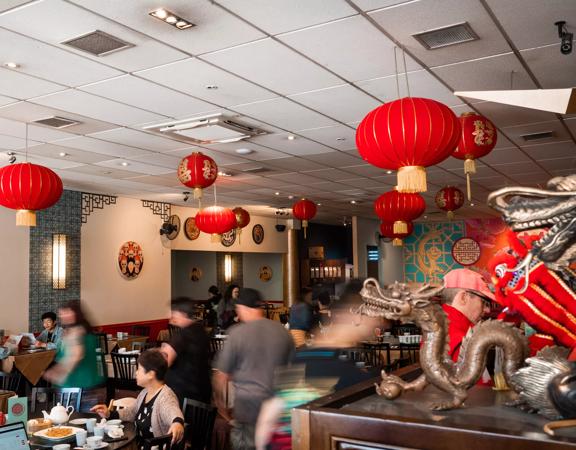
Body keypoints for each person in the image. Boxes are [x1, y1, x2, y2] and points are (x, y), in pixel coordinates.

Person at [214, 288, 294, 450]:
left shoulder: (237, 333)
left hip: (246, 410)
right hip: (276, 413)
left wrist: (222, 410)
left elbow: (220, 376)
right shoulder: (283, 332)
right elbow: (292, 374)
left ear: (244, 308)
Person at [91, 349, 184, 446]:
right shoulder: (145, 392)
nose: (136, 373)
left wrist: (177, 423)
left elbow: (173, 412)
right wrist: (109, 414)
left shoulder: (166, 396)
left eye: (139, 369)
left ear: (151, 374)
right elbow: (132, 412)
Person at [161, 298, 212, 405]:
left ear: (182, 314)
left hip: (183, 393)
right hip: (201, 389)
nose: (170, 315)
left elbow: (164, 361)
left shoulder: (183, 335)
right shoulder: (200, 330)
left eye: (173, 312)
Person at [42, 301, 103, 388]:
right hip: (80, 383)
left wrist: (56, 373)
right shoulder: (77, 330)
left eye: (66, 313)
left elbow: (76, 355)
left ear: (76, 313)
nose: (62, 316)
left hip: (77, 384)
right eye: (61, 314)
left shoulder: (78, 331)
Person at [441, 268, 494, 360]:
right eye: (484, 302)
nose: (487, 310)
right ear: (463, 297)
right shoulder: (461, 342)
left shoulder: (441, 328)